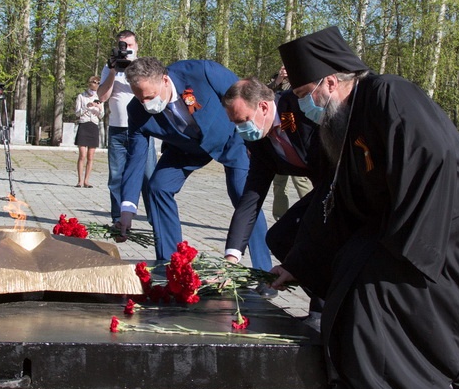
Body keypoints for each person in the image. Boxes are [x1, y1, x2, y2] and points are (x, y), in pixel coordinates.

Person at [270, 26, 459, 389]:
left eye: (302, 95)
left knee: (371, 285)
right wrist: (299, 263)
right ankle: (363, 374)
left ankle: (410, 375)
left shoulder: (390, 93)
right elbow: (340, 199)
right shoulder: (342, 118)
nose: (301, 106)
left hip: (445, 224)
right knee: (350, 265)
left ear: (329, 81)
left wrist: (406, 244)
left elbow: (435, 159)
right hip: (402, 224)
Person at [116, 57, 272, 269]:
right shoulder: (136, 110)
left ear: (164, 79)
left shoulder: (202, 72)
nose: (145, 104)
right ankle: (171, 264)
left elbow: (244, 101)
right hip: (185, 149)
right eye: (139, 97)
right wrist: (127, 209)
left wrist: (256, 145)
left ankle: (263, 270)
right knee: (158, 187)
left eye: (150, 96)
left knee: (243, 195)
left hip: (230, 140)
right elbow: (136, 157)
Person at [221, 78, 323, 301]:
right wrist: (231, 258)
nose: (241, 129)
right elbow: (251, 196)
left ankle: (324, 309)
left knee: (308, 232)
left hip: (343, 183)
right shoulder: (258, 139)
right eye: (235, 124)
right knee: (279, 238)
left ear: (264, 107)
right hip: (324, 189)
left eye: (243, 120)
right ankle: (321, 300)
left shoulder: (297, 107)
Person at [98, 30, 155, 226]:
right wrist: (113, 71)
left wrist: (133, 69)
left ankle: (154, 219)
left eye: (129, 46)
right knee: (116, 177)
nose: (126, 50)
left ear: (137, 46)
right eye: (122, 46)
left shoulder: (144, 67)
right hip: (117, 130)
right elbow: (102, 97)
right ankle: (118, 219)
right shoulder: (110, 67)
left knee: (149, 177)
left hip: (142, 129)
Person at [267, 65, 313, 219]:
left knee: (301, 180)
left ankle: (312, 212)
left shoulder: (300, 78)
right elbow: (264, 95)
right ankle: (280, 217)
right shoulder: (276, 79)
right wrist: (279, 79)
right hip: (275, 125)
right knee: (279, 183)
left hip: (292, 125)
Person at [74, 75, 104, 187]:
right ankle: (80, 180)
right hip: (84, 124)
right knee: (82, 154)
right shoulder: (81, 96)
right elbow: (77, 113)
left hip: (94, 125)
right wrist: (87, 107)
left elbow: (102, 115)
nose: (95, 84)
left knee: (91, 156)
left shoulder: (100, 97)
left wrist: (99, 108)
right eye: (94, 82)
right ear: (89, 83)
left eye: (98, 82)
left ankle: (87, 180)